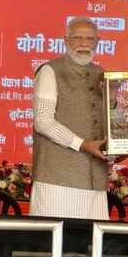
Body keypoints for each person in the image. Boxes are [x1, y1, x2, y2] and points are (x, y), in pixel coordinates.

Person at [30, 17, 112, 220]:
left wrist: (113, 98)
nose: (84, 43)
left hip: (95, 178)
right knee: (56, 236)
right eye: (77, 38)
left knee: (92, 237)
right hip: (57, 177)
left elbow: (106, 122)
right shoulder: (50, 70)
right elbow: (43, 121)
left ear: (98, 42)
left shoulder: (102, 74)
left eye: (90, 38)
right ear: (65, 40)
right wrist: (82, 144)